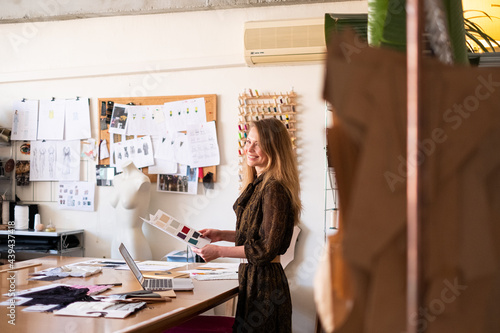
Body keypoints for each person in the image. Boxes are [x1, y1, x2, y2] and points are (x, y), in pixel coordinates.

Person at [192, 117, 301, 332]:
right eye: (248, 141)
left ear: (274, 148)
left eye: (258, 143)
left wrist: (220, 251)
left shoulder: (274, 188)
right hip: (254, 279)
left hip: (265, 285)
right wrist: (221, 234)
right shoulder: (260, 184)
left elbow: (265, 248)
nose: (249, 148)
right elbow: (258, 233)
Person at [109, 160, 152, 260]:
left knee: (134, 275)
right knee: (114, 275)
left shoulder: (142, 180)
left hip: (133, 240)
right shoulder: (117, 179)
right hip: (116, 239)